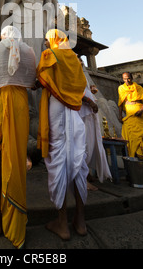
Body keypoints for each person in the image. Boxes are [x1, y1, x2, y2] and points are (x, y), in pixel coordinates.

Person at [0, 25, 36, 249]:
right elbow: (33, 81)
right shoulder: (29, 51)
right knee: (16, 151)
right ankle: (17, 215)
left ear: (3, 36)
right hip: (20, 104)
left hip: (0, 102)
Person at [36, 29, 88, 240]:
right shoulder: (75, 59)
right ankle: (81, 221)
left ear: (51, 41)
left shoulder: (50, 55)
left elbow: (41, 78)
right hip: (75, 110)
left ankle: (62, 223)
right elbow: (82, 84)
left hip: (56, 106)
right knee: (78, 159)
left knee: (58, 158)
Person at [118, 72, 143, 172]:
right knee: (130, 139)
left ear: (132, 78)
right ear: (123, 79)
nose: (127, 81)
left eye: (128, 78)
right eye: (125, 79)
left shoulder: (138, 87)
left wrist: (141, 110)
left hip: (140, 114)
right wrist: (119, 115)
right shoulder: (121, 88)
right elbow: (121, 103)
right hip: (129, 115)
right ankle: (133, 164)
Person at [79, 83, 112, 190]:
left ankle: (86, 171)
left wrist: (90, 92)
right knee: (83, 143)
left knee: (91, 142)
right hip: (82, 111)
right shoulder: (70, 68)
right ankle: (82, 177)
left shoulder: (80, 72)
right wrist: (89, 101)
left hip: (89, 111)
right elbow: (72, 90)